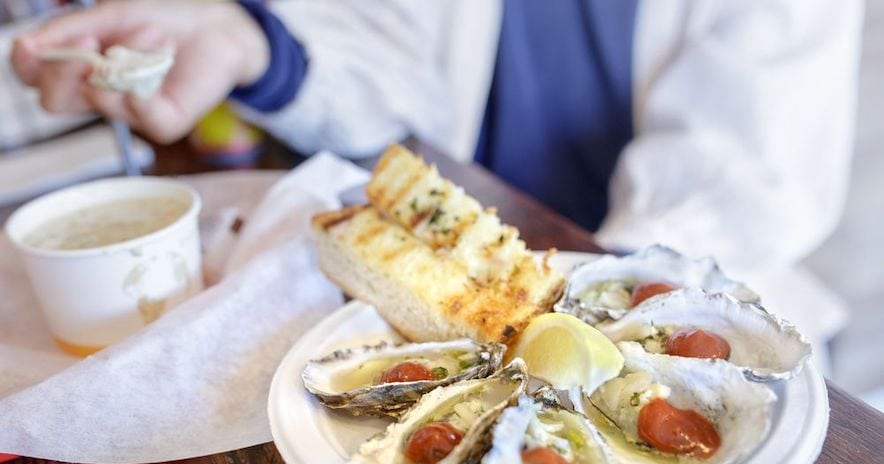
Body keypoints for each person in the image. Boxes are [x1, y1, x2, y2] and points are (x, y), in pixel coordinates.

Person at [10, 0, 863, 358]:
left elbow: (746, 173)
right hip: (433, 304)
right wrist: (251, 41)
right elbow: (382, 70)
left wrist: (592, 310)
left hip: (691, 303)